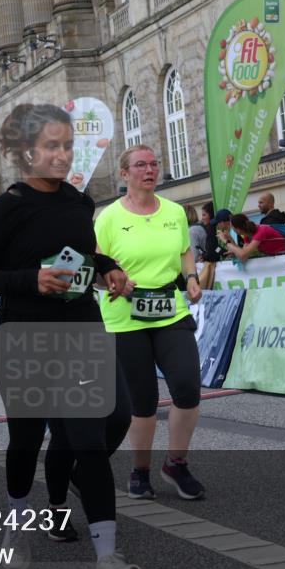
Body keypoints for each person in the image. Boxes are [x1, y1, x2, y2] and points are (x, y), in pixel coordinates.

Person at [0, 103, 144, 569]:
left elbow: (83, 253)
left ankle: (108, 559)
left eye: (68, 145)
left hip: (80, 331)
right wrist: (30, 279)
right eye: (52, 146)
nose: (63, 155)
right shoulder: (4, 209)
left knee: (89, 440)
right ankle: (17, 531)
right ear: (25, 153)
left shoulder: (79, 202)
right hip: (23, 337)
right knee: (25, 441)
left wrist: (106, 268)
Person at [95, 144, 206, 502]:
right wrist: (115, 281)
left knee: (187, 386)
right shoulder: (108, 218)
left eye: (154, 164)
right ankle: (140, 471)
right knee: (142, 402)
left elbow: (184, 251)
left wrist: (191, 277)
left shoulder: (174, 211)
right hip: (125, 317)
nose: (150, 170)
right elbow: (97, 269)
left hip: (170, 309)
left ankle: (176, 463)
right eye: (140, 165)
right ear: (124, 174)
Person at [219, 213, 285, 261]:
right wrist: (230, 240)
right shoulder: (247, 235)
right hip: (275, 258)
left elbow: (243, 255)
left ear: (238, 229)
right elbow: (243, 255)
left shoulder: (260, 232)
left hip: (284, 257)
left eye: (232, 227)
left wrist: (226, 242)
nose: (232, 229)